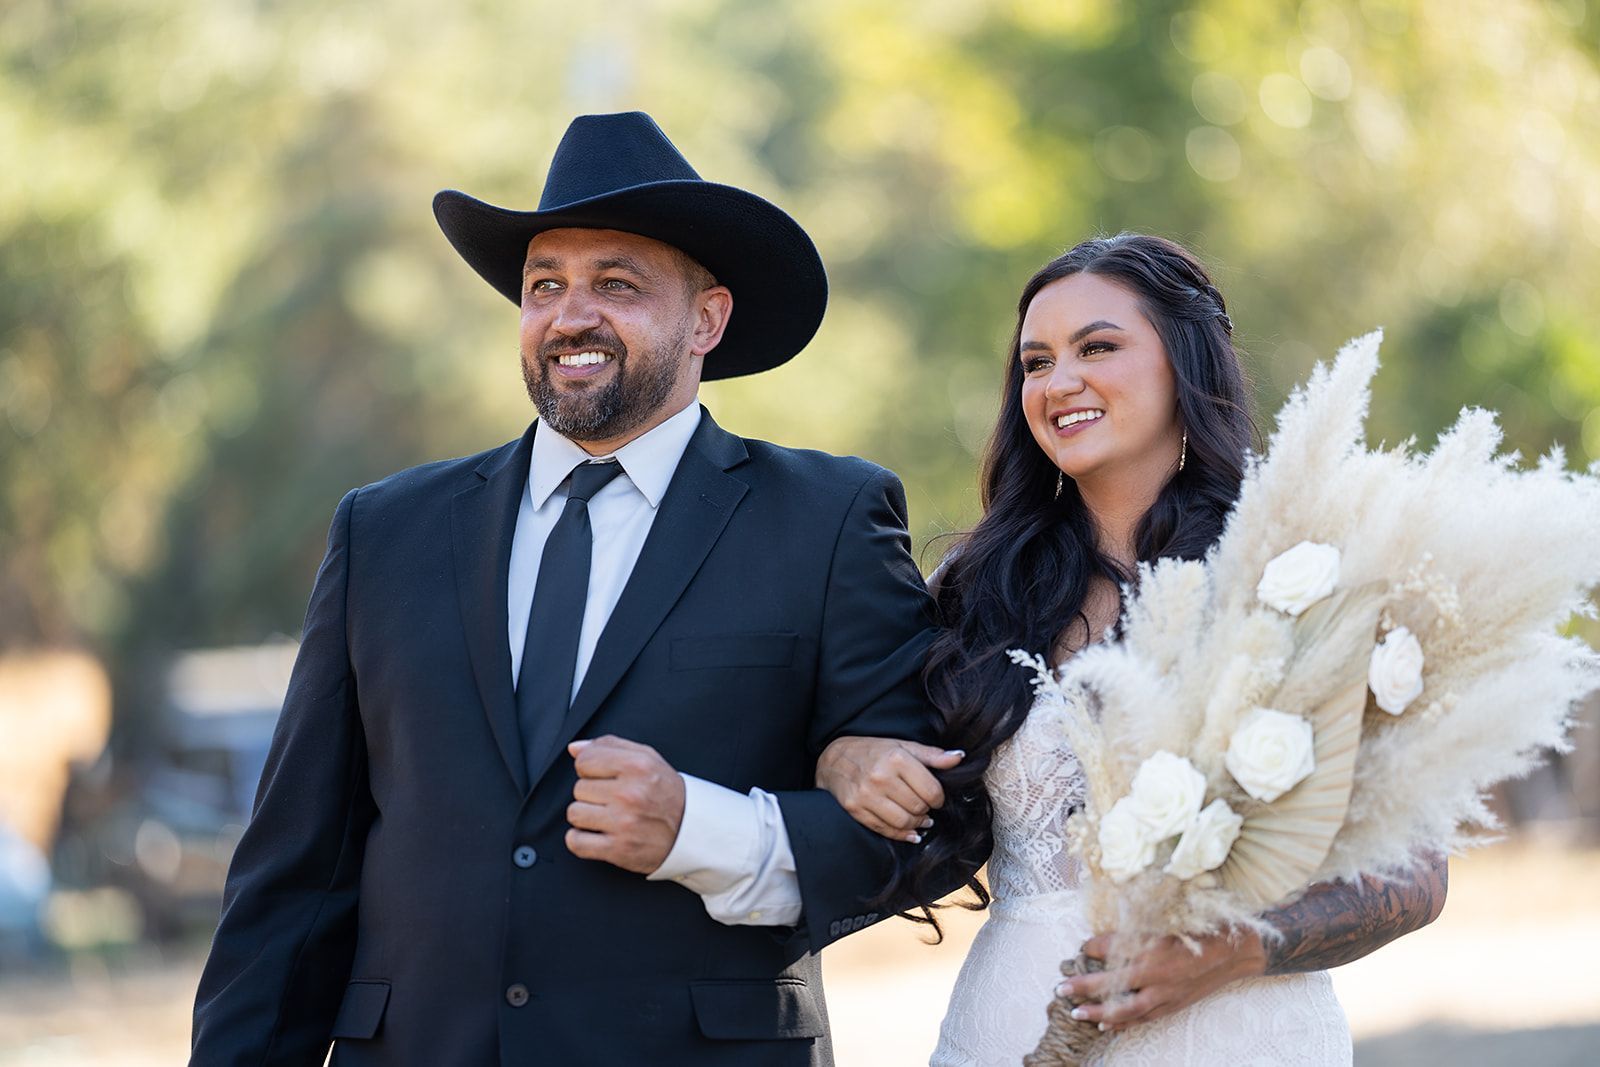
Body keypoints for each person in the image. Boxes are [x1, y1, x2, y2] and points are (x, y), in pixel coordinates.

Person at [190, 111, 978, 1067]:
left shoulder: (828, 518)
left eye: (616, 284)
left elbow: (929, 827)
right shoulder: (384, 532)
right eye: (544, 285)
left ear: (708, 320)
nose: (570, 315)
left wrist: (705, 829)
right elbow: (294, 875)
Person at [816, 234, 1449, 1065]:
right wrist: (841, 756)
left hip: (1244, 1033)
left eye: (1099, 347)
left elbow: (1415, 877)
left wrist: (1226, 952)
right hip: (1013, 1031)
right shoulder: (978, 587)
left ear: (1185, 363)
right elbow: (887, 766)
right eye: (1035, 362)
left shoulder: (1299, 568)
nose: (1059, 381)